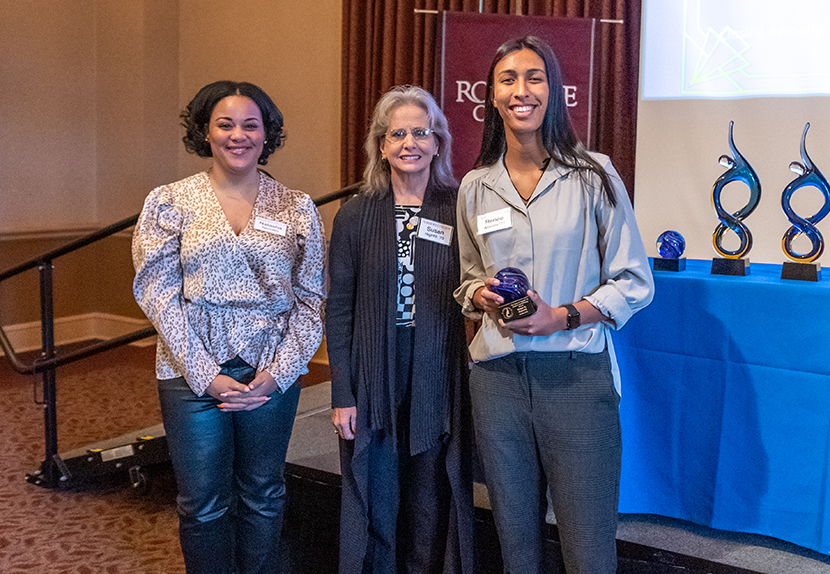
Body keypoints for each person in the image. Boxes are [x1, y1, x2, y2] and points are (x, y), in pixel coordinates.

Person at [454, 37, 655, 574]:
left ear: (555, 90)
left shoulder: (594, 174)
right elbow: (468, 278)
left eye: (534, 77)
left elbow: (635, 281)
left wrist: (563, 315)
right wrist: (479, 294)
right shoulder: (475, 186)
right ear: (491, 96)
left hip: (576, 375)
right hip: (496, 379)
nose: (522, 90)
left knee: (588, 551)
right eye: (508, 80)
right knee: (517, 548)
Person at [132, 80, 326, 574]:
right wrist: (205, 373)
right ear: (205, 131)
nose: (238, 135)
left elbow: (310, 298)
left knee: (263, 494)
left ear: (267, 134)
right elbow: (157, 293)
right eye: (225, 124)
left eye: (250, 125)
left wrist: (278, 374)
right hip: (189, 370)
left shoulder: (296, 206)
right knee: (202, 502)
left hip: (271, 370)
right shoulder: (169, 202)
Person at [326, 85, 473, 574]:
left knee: (431, 492)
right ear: (381, 145)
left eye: (420, 132)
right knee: (378, 490)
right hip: (373, 374)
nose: (410, 142)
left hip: (438, 369)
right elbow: (340, 307)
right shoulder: (354, 215)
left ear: (437, 143)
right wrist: (342, 392)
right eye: (398, 134)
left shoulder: (458, 208)